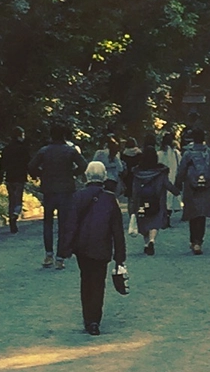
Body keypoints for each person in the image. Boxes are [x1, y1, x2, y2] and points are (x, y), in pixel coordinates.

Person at [59, 160, 129, 334]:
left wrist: (64, 249)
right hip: (102, 247)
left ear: (86, 176)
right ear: (104, 177)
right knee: (98, 283)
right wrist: (120, 256)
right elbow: (117, 230)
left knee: (86, 280)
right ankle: (94, 320)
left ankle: (87, 317)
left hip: (82, 247)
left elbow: (70, 224)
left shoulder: (77, 197)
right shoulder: (110, 199)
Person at [28, 123, 85, 268]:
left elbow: (31, 166)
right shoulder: (70, 151)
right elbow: (83, 165)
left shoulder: (44, 151)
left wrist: (42, 175)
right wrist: (72, 174)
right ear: (65, 135)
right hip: (66, 190)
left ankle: (48, 255)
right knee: (64, 224)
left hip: (48, 190)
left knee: (48, 222)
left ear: (51, 135)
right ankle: (60, 258)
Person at [174, 129, 210, 253]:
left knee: (192, 214)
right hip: (206, 188)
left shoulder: (188, 154)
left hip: (191, 187)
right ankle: (198, 241)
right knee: (202, 215)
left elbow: (181, 171)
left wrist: (178, 184)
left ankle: (193, 240)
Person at [123, 138, 170, 255]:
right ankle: (152, 240)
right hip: (156, 199)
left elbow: (135, 189)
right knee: (154, 220)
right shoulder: (160, 170)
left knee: (143, 220)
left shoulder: (138, 171)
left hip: (141, 199)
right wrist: (176, 191)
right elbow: (167, 184)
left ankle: (145, 243)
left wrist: (133, 201)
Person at [0, 129, 31, 234]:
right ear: (19, 136)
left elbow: (2, 164)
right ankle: (15, 215)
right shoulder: (23, 149)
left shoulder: (7, 149)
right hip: (20, 177)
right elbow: (28, 163)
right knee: (18, 199)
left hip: (9, 177)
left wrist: (0, 177)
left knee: (11, 199)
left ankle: (11, 216)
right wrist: (33, 174)